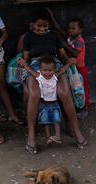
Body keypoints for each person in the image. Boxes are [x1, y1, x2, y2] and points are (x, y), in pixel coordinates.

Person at [21, 9, 87, 154]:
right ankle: (31, 137)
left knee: (64, 92)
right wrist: (23, 64)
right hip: (36, 66)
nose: (43, 29)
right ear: (32, 25)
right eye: (39, 26)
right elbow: (26, 57)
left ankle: (76, 131)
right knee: (34, 93)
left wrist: (67, 61)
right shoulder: (28, 37)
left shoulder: (54, 35)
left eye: (45, 26)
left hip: (54, 66)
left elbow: (62, 55)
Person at [19, 54, 75, 146]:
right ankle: (48, 137)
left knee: (56, 120)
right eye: (44, 70)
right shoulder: (39, 77)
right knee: (46, 122)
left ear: (54, 70)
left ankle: (57, 136)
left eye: (50, 70)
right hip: (43, 105)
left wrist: (69, 63)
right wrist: (24, 65)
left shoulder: (55, 76)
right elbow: (30, 70)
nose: (47, 73)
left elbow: (62, 70)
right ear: (40, 70)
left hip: (54, 104)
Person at [49, 11, 90, 118]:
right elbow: (59, 29)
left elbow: (75, 53)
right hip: (72, 68)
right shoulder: (69, 37)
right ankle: (77, 108)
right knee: (74, 89)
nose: (70, 30)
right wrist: (52, 17)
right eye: (69, 28)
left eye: (73, 29)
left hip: (80, 68)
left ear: (80, 30)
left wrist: (64, 45)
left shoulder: (79, 40)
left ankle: (84, 108)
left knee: (82, 89)